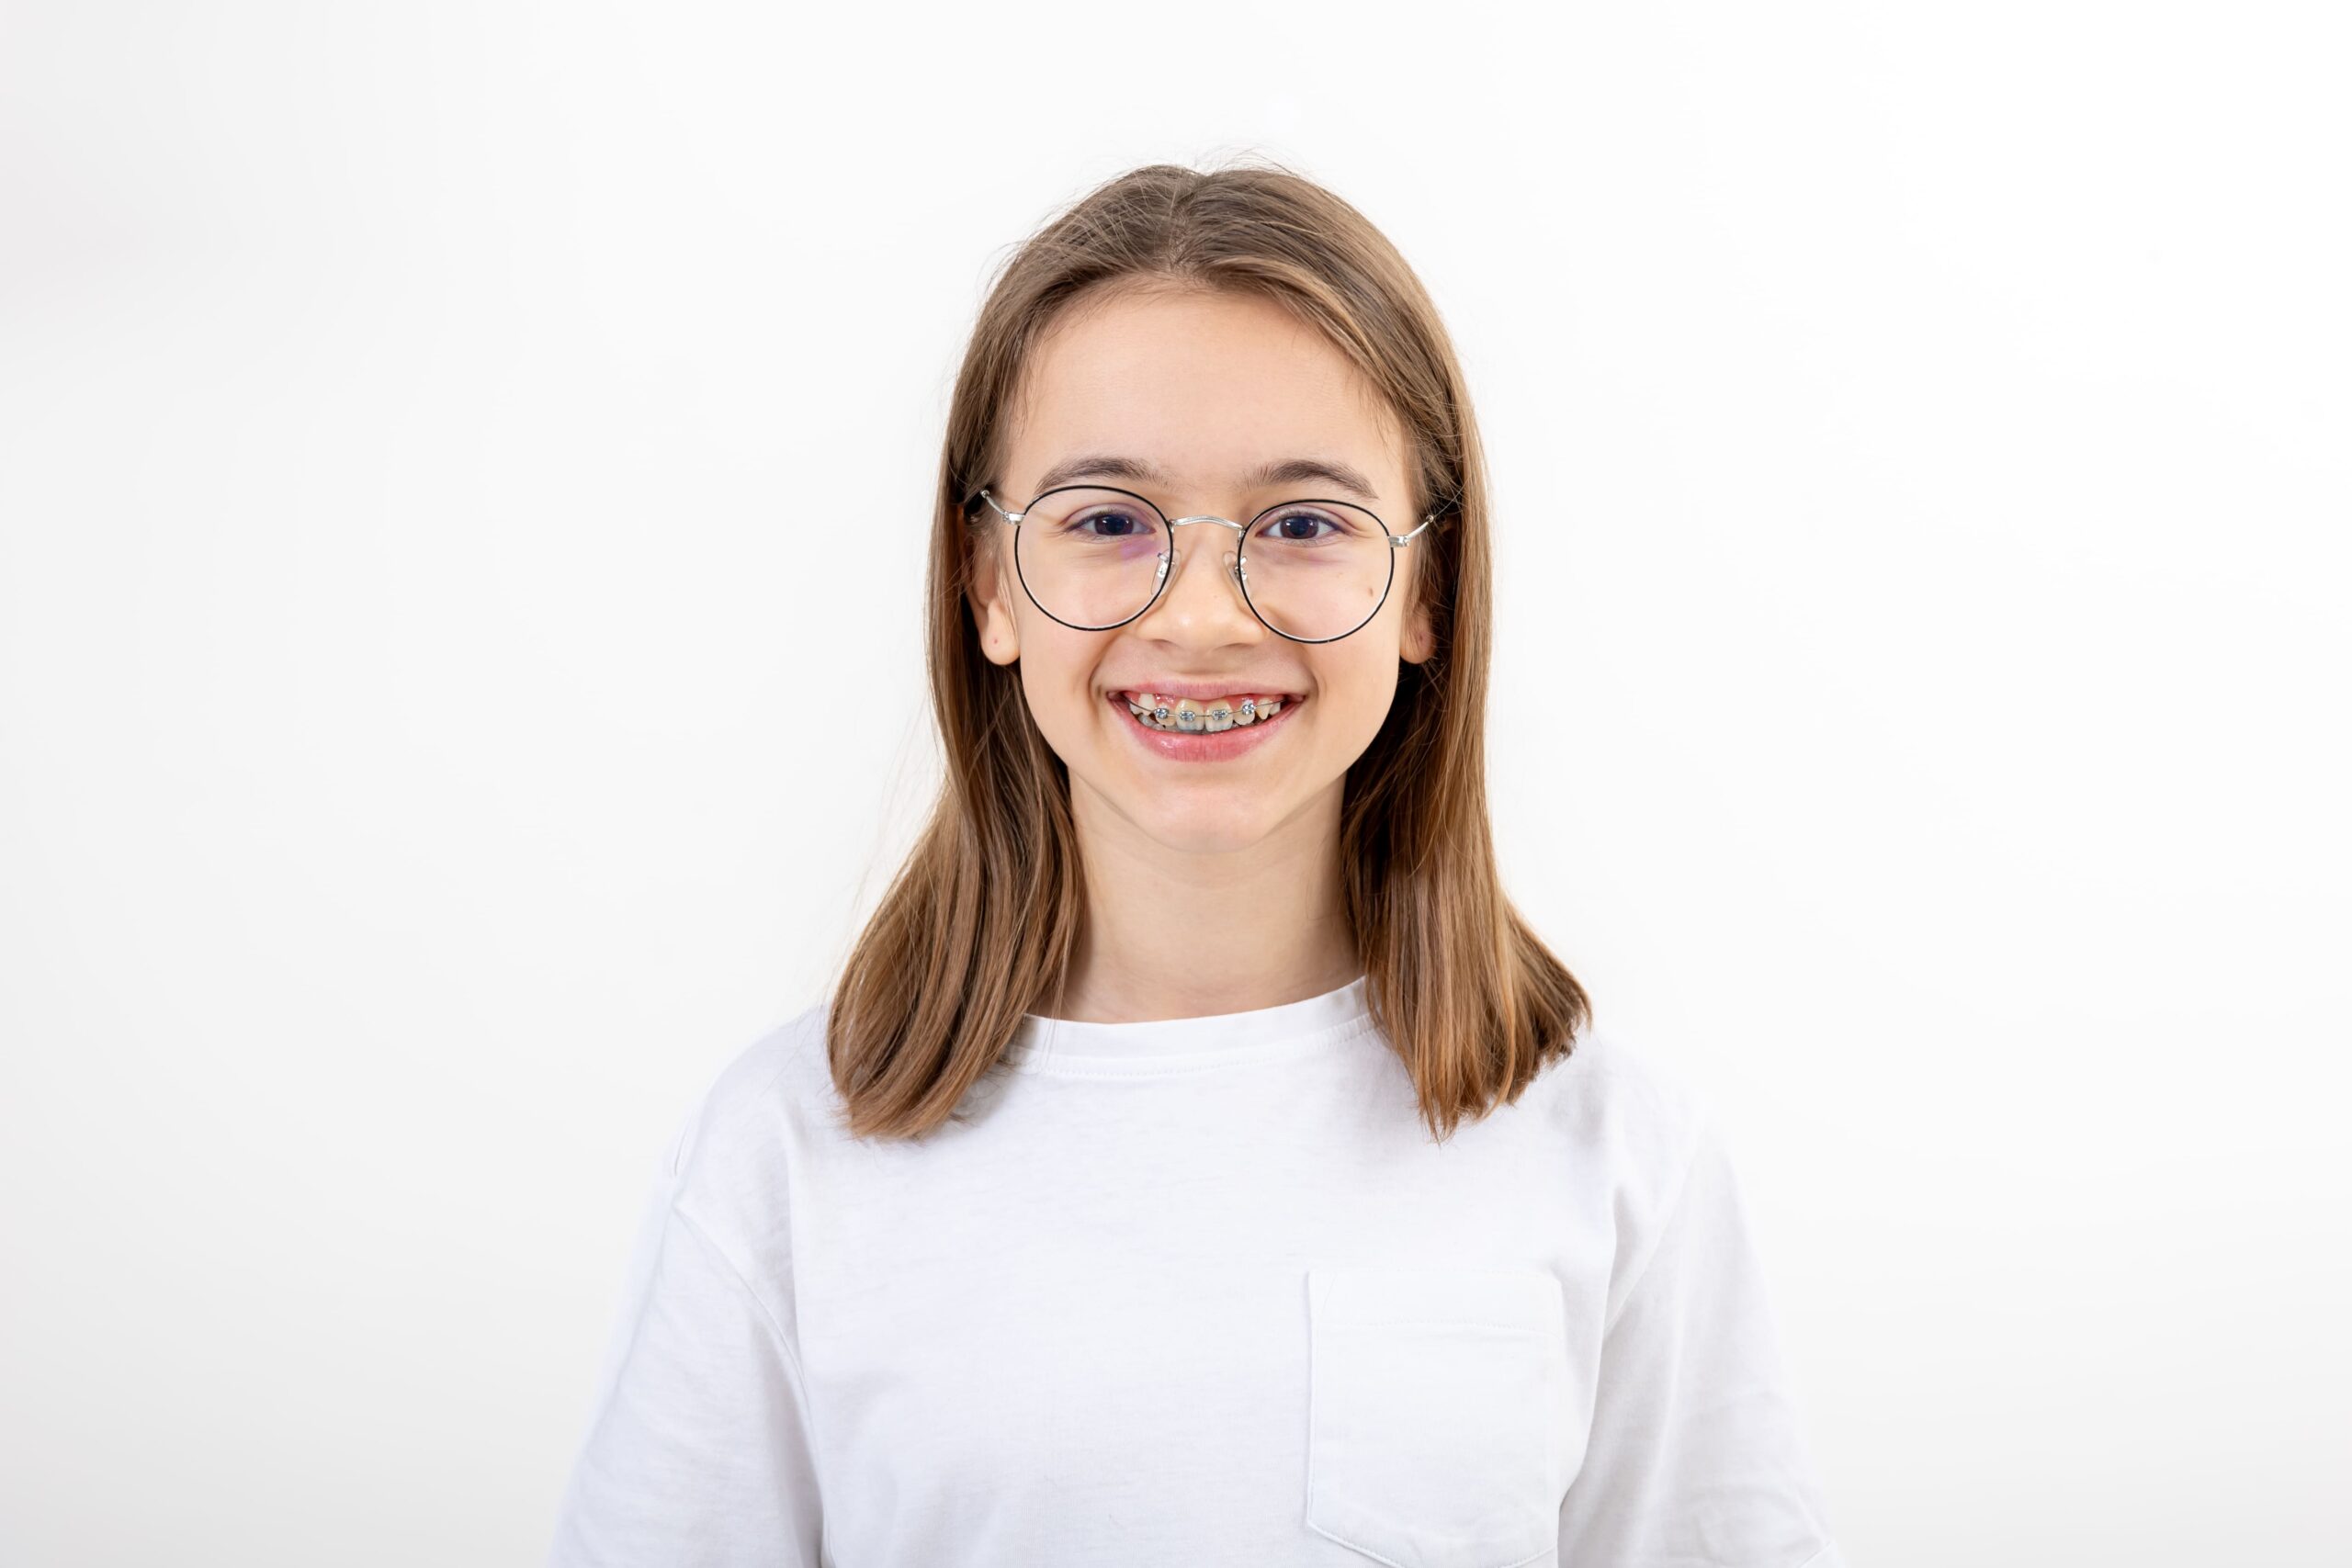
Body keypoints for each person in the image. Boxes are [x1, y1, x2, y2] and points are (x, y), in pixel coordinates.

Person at [544, 158, 1847, 1568]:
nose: (1205, 616)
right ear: (987, 586)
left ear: (1426, 595)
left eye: (1303, 526)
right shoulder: (781, 1161)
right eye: (1107, 521)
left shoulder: (1613, 1158)